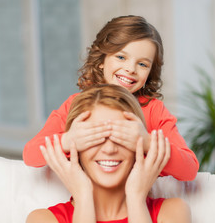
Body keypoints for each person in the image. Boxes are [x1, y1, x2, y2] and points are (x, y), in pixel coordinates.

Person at [23, 15, 199, 181]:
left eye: (143, 64)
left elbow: (189, 169)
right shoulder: (76, 105)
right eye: (121, 57)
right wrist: (68, 140)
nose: (131, 69)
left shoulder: (153, 110)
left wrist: (147, 142)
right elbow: (30, 155)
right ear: (101, 60)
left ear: (150, 72)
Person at [26, 85, 191, 223]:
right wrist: (83, 197)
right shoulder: (43, 219)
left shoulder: (172, 212)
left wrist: (136, 199)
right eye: (96, 138)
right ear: (75, 148)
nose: (110, 149)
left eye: (120, 137)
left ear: (138, 147)